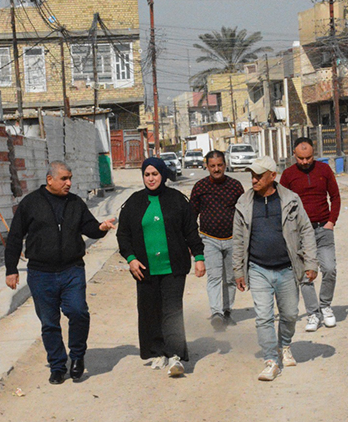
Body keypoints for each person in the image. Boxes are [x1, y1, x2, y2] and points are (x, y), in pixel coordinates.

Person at [5, 161, 115, 385]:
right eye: (64, 179)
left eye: (70, 178)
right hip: (40, 273)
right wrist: (11, 269)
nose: (69, 183)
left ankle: (77, 357)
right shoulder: (31, 203)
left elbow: (89, 227)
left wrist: (101, 229)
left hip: (71, 270)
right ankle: (57, 366)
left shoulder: (75, 203)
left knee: (78, 312)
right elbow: (15, 236)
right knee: (49, 322)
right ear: (50, 180)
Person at [117, 157, 206, 377]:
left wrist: (199, 256)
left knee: (172, 310)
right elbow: (123, 234)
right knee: (150, 311)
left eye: (155, 174)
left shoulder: (177, 200)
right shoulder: (134, 202)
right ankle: (158, 352)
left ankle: (175, 355)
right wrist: (130, 259)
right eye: (147, 175)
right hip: (144, 269)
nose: (151, 178)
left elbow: (190, 231)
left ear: (163, 175)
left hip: (174, 266)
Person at [233, 157, 317, 382]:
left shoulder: (291, 199)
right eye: (252, 175)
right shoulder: (244, 202)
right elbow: (239, 239)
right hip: (258, 268)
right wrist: (238, 271)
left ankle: (284, 345)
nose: (254, 179)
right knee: (263, 317)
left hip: (287, 268)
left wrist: (310, 263)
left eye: (259, 175)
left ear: (273, 176)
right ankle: (271, 359)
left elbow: (306, 231)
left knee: (289, 314)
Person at [280, 137, 341, 332]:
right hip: (299, 233)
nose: (305, 162)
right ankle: (313, 313)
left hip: (323, 229)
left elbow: (335, 196)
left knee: (329, 269)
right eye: (301, 158)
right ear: (294, 156)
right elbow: (281, 202)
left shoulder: (324, 170)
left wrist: (331, 222)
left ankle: (325, 306)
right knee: (305, 275)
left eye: (309, 157)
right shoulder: (288, 175)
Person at [189, 150, 244, 331]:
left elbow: (244, 213)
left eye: (219, 165)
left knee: (230, 278)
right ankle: (216, 313)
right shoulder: (200, 187)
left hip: (232, 239)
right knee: (214, 277)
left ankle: (227, 311)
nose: (216, 169)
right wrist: (191, 241)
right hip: (209, 240)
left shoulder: (235, 186)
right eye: (212, 166)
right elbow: (191, 215)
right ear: (207, 166)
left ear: (225, 165)